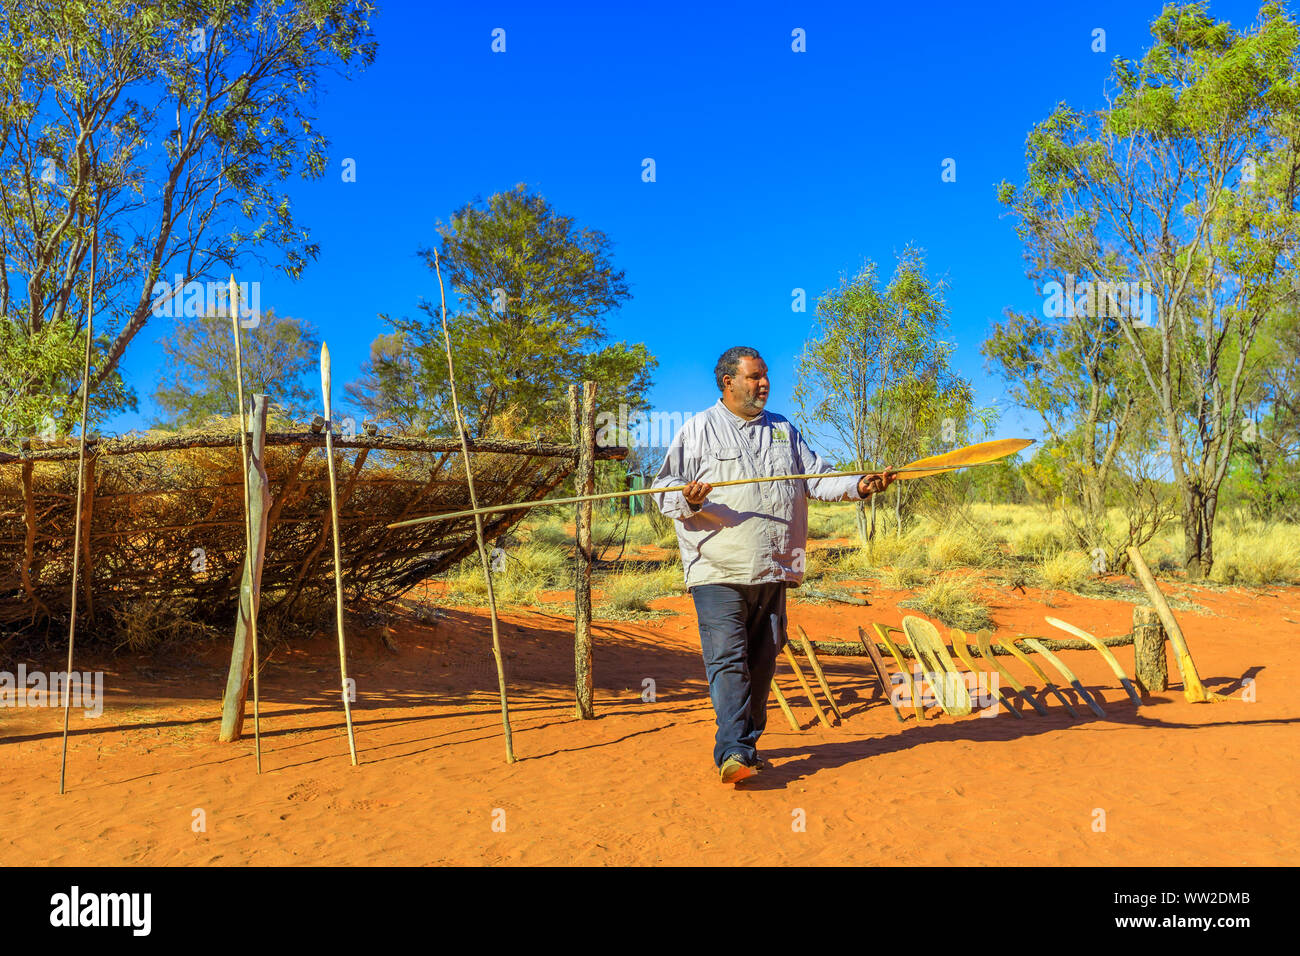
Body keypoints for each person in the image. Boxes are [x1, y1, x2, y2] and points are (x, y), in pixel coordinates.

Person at [650, 346, 896, 785]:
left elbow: (817, 478)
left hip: (774, 567)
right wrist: (687, 497)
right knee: (728, 658)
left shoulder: (784, 430)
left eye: (765, 376)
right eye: (754, 377)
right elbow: (662, 487)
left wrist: (859, 484)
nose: (764, 383)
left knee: (763, 661)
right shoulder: (698, 429)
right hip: (718, 569)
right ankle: (734, 751)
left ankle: (746, 742)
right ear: (728, 382)